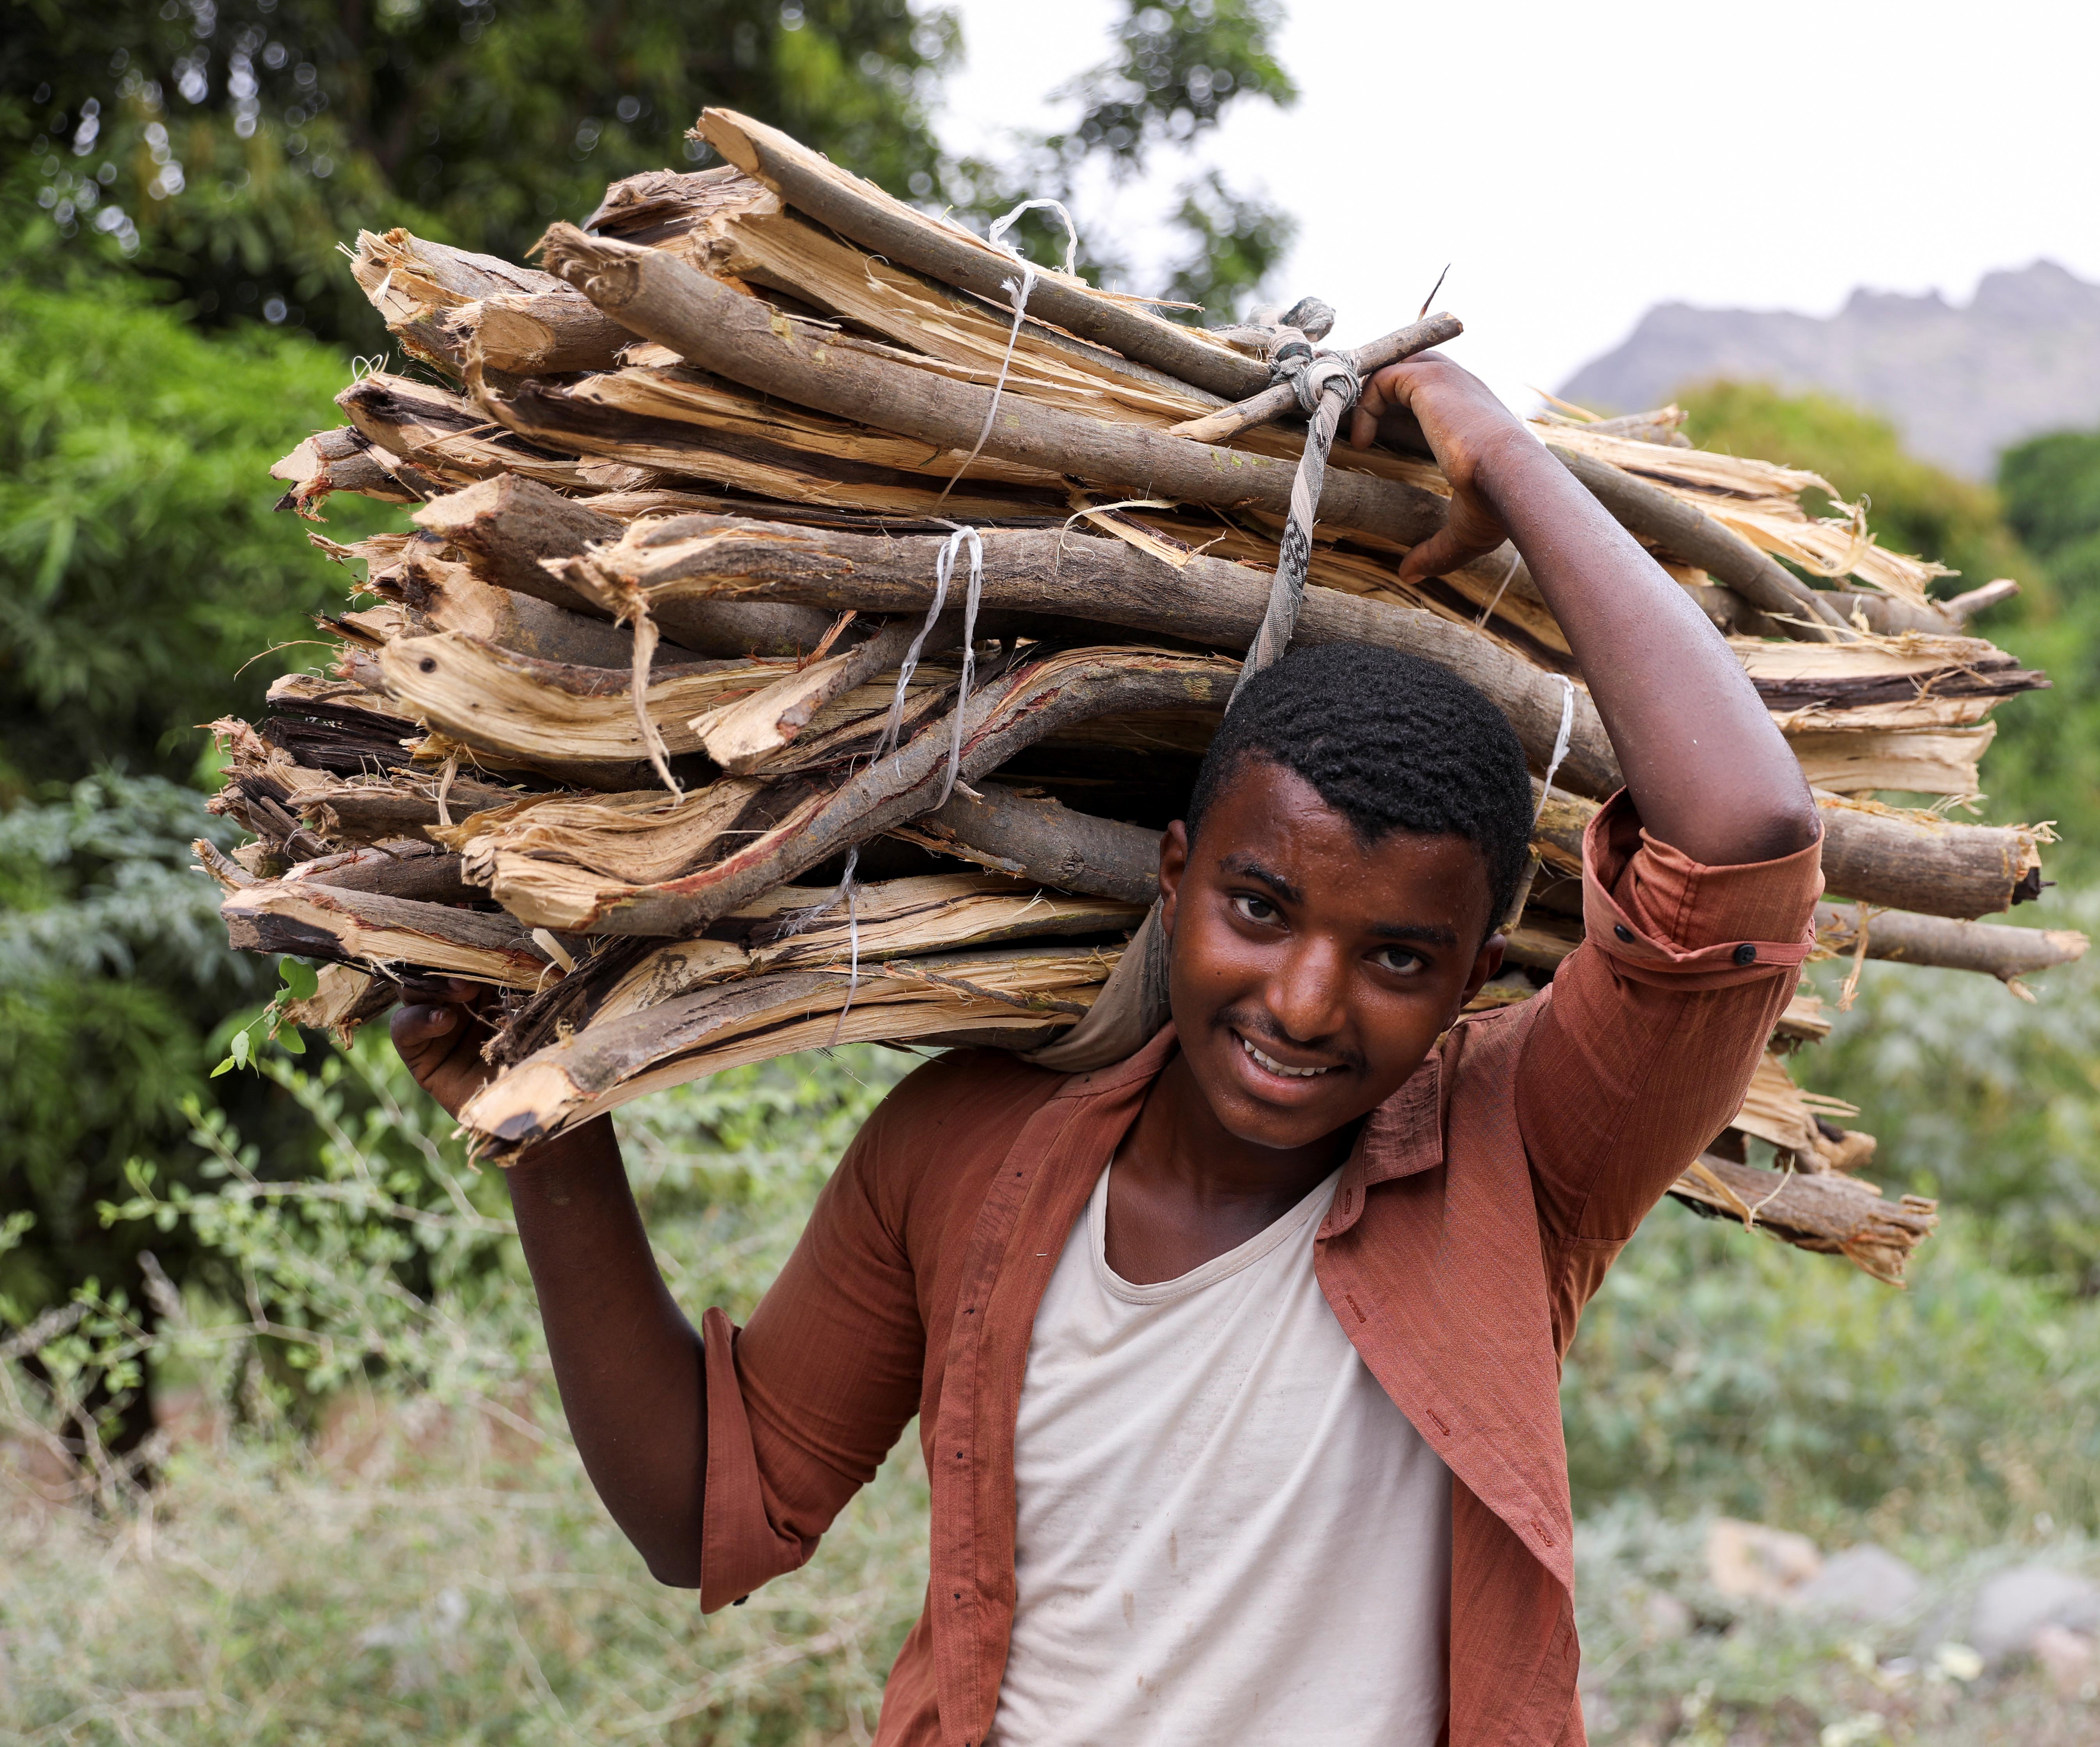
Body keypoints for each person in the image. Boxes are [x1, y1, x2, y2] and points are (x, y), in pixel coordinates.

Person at [393, 353, 1823, 1747]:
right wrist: (547, 1137)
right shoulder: (963, 1145)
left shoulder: (1526, 1149)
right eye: (1260, 911)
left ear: (1476, 965)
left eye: (1398, 958)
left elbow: (1745, 840)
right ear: (1178, 874)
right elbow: (713, 1507)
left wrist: (1496, 449)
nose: (1308, 1003)